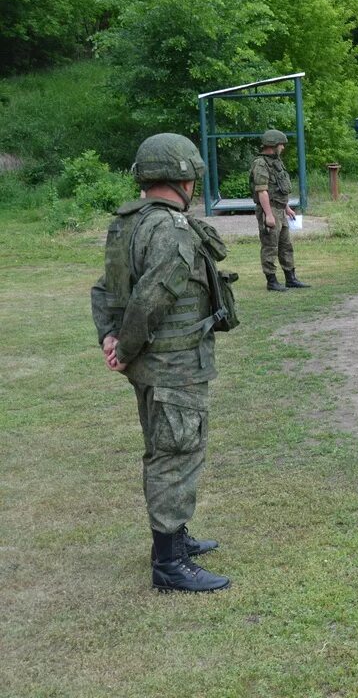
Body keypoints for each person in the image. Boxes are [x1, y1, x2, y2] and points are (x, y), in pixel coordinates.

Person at [90, 133, 235, 591]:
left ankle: (174, 541)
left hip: (151, 367)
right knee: (177, 455)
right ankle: (169, 564)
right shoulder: (170, 229)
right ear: (184, 175)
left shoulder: (127, 224)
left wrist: (110, 339)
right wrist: (123, 345)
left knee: (164, 449)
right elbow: (151, 299)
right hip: (173, 366)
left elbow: (105, 291)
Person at [250, 128, 309, 292]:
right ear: (273, 144)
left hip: (279, 210)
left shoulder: (276, 162)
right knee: (270, 246)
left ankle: (291, 278)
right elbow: (262, 191)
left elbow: (278, 189)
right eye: (281, 145)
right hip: (269, 210)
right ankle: (272, 281)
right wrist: (269, 215)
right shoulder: (260, 164)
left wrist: (287, 208)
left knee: (285, 245)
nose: (283, 148)